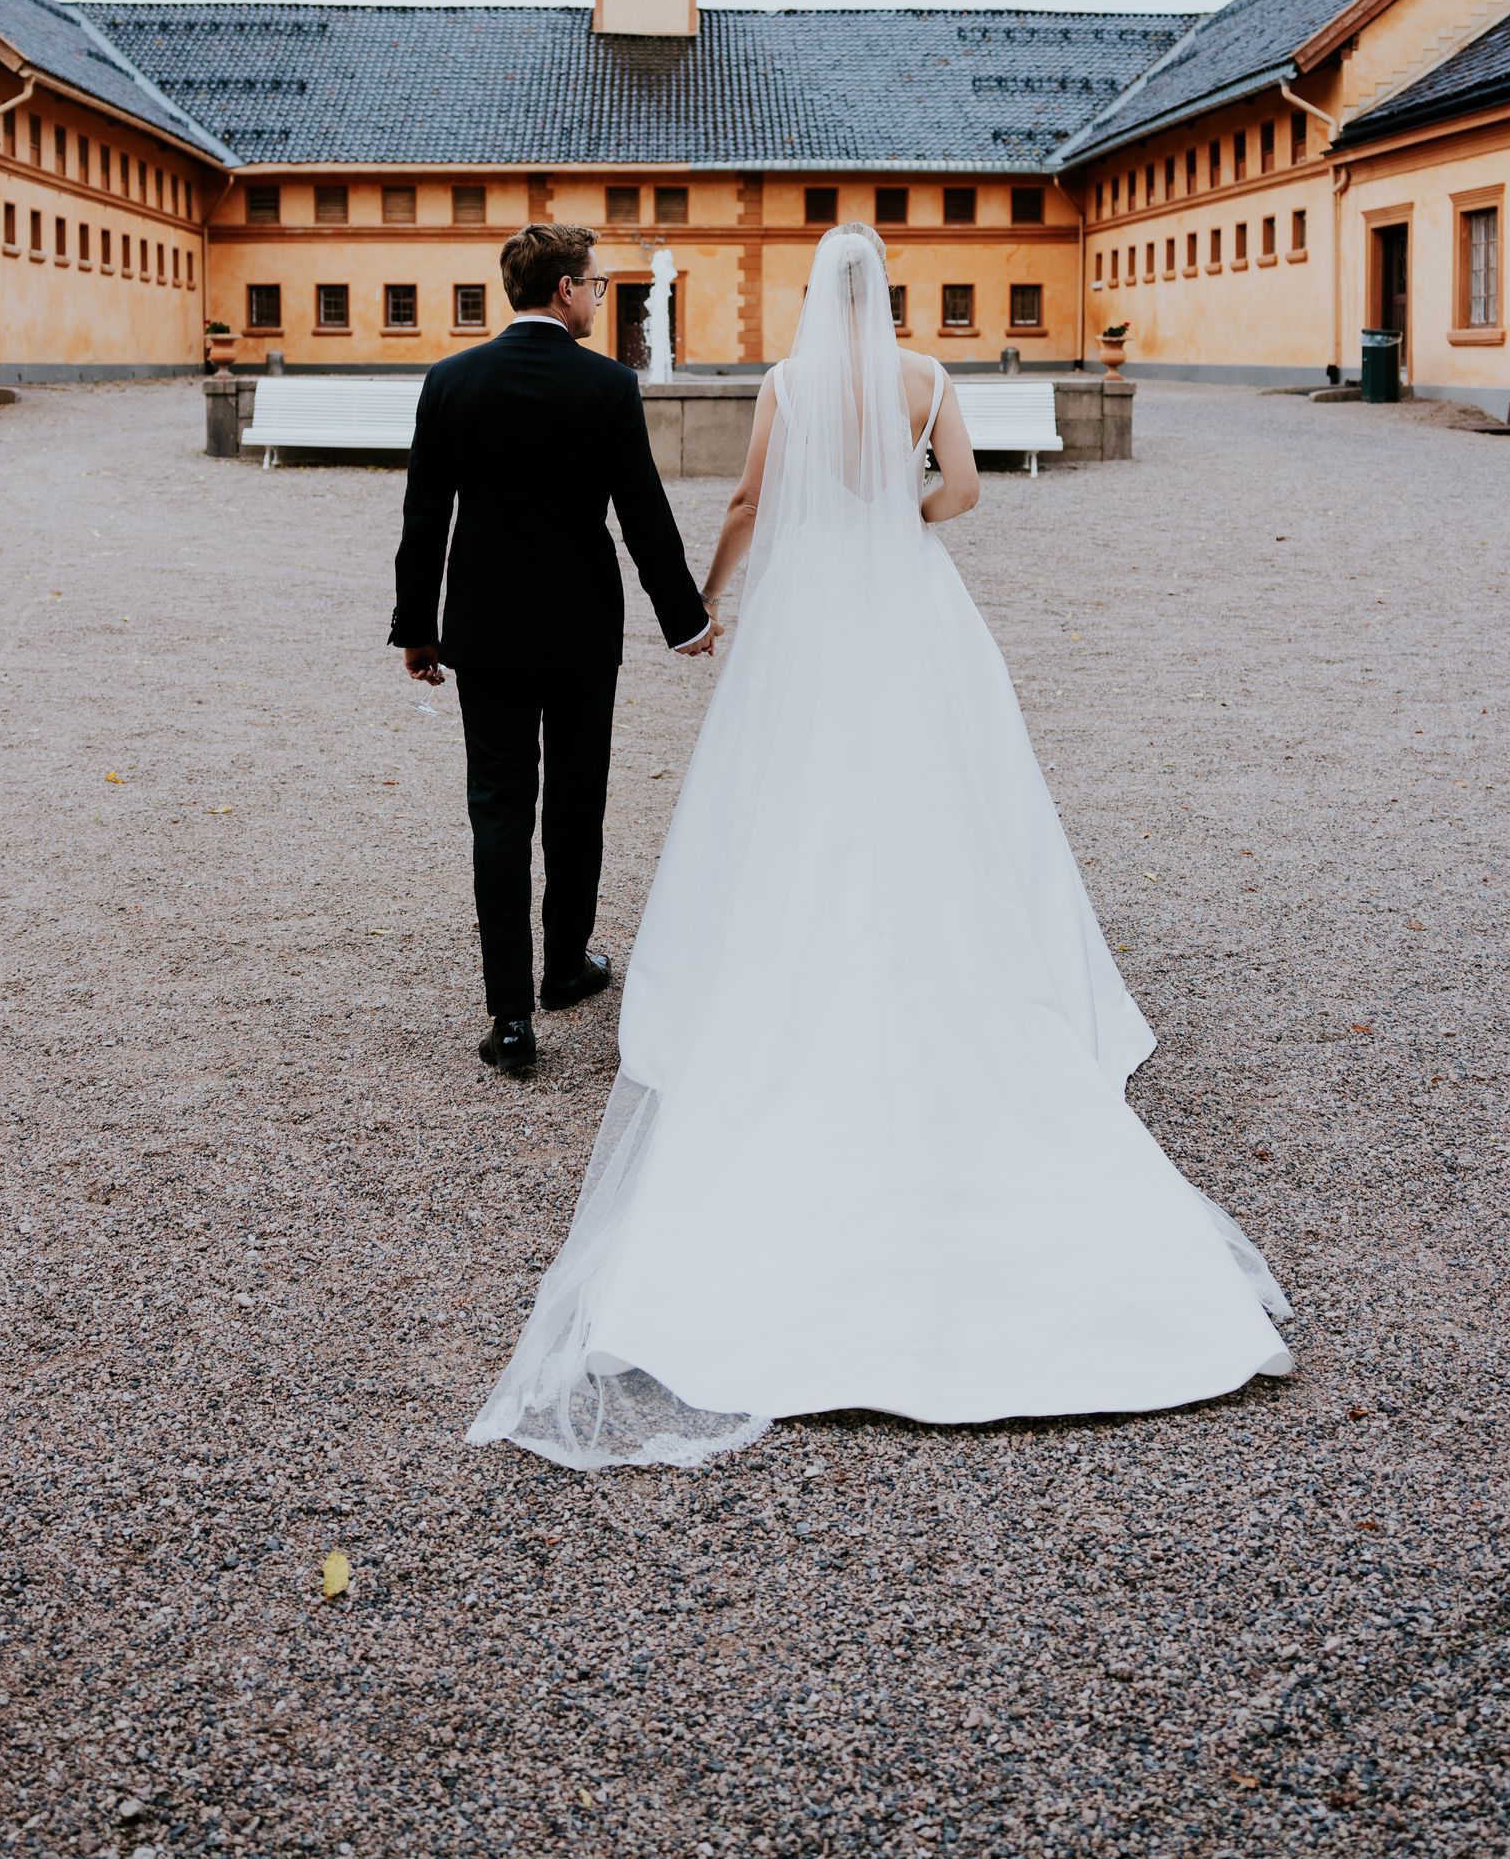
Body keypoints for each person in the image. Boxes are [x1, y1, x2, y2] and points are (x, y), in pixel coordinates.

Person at [469, 222, 1292, 1468]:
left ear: (813, 298)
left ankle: (792, 972)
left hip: (809, 616)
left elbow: (748, 496)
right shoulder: (924, 379)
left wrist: (717, 600)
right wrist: (897, 513)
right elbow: (956, 491)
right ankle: (956, 957)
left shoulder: (793, 383)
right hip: (907, 605)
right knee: (945, 784)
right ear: (889, 293)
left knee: (793, 795)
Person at [391, 222, 718, 1078]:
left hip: (486, 631)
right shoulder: (606, 384)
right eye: (599, 283)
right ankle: (565, 968)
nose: (602, 295)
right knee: (576, 802)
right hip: (579, 630)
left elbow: (426, 516)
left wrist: (418, 628)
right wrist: (685, 619)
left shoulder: (451, 380)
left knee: (497, 809)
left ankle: (508, 1017)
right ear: (567, 289)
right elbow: (641, 512)